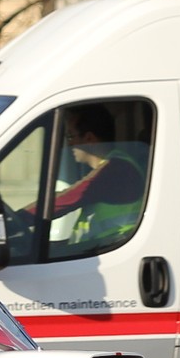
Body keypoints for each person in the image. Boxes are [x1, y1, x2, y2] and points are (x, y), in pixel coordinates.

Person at [47, 104, 148, 253]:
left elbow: (66, 200)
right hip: (105, 248)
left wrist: (20, 218)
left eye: (71, 136)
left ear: (89, 138)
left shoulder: (116, 169)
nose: (69, 144)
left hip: (115, 250)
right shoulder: (113, 164)